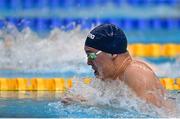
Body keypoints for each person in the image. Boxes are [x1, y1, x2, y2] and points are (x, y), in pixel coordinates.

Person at [84, 24, 172, 108]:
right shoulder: (113, 78)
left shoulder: (137, 75)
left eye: (91, 55)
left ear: (112, 53)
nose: (88, 62)